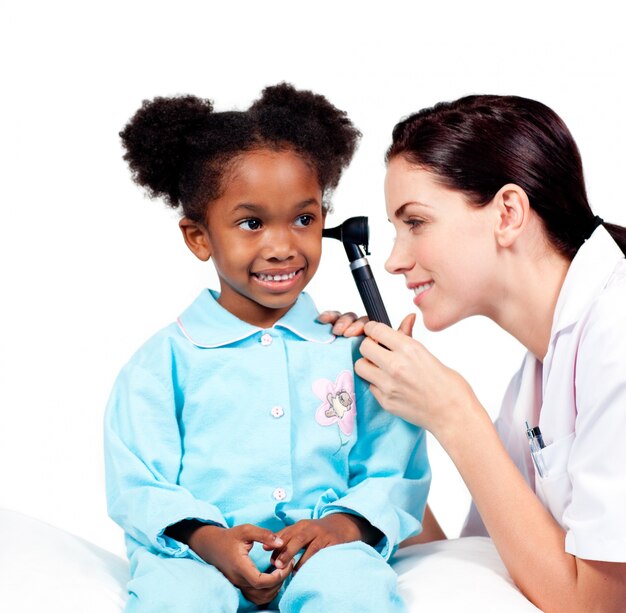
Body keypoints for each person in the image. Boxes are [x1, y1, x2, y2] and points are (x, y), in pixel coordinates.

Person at [104, 83, 430, 612]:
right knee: (177, 599)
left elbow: (394, 465)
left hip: (325, 553)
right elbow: (139, 482)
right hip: (194, 557)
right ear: (199, 237)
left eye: (304, 219)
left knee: (353, 590)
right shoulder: (162, 363)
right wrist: (206, 539)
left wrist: (340, 526)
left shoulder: (352, 350)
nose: (282, 246)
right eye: (251, 223)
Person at [322, 95, 626, 612]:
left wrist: (453, 412)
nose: (395, 260)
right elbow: (484, 562)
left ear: (508, 212)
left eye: (415, 222)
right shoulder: (537, 373)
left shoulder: (618, 332)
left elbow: (597, 605)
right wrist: (388, 427)